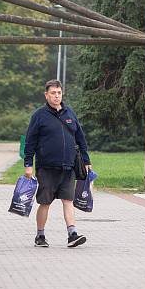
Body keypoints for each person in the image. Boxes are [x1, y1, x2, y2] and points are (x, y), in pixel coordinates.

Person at [24, 79, 91, 248]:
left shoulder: (70, 113)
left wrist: (86, 160)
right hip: (46, 167)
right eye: (53, 93)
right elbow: (30, 141)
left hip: (68, 167)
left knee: (68, 200)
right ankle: (40, 236)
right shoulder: (39, 115)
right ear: (46, 95)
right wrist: (28, 164)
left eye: (59, 93)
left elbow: (80, 138)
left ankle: (72, 234)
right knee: (45, 202)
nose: (56, 96)